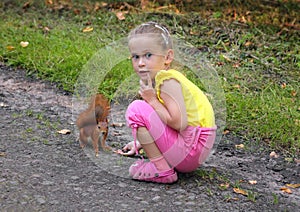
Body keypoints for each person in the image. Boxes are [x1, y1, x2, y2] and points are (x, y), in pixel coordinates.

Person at [116, 21, 216, 184]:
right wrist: (144, 143)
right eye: (136, 56)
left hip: (189, 150)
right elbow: (163, 118)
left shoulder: (168, 82)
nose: (140, 62)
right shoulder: (167, 79)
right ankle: (162, 161)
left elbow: (179, 123)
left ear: (168, 57)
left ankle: (162, 170)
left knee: (137, 109)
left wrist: (152, 99)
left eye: (148, 55)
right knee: (148, 109)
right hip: (193, 150)